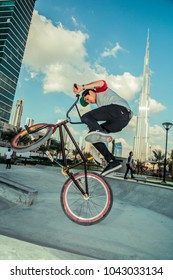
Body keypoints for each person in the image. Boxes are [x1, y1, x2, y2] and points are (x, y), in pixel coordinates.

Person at [73, 80, 133, 176]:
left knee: (85, 117)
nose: (90, 102)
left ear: (91, 91)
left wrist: (82, 87)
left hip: (120, 110)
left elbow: (102, 82)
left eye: (88, 99)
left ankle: (99, 131)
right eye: (87, 102)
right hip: (121, 122)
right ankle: (112, 161)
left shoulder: (100, 90)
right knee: (92, 137)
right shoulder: (102, 104)